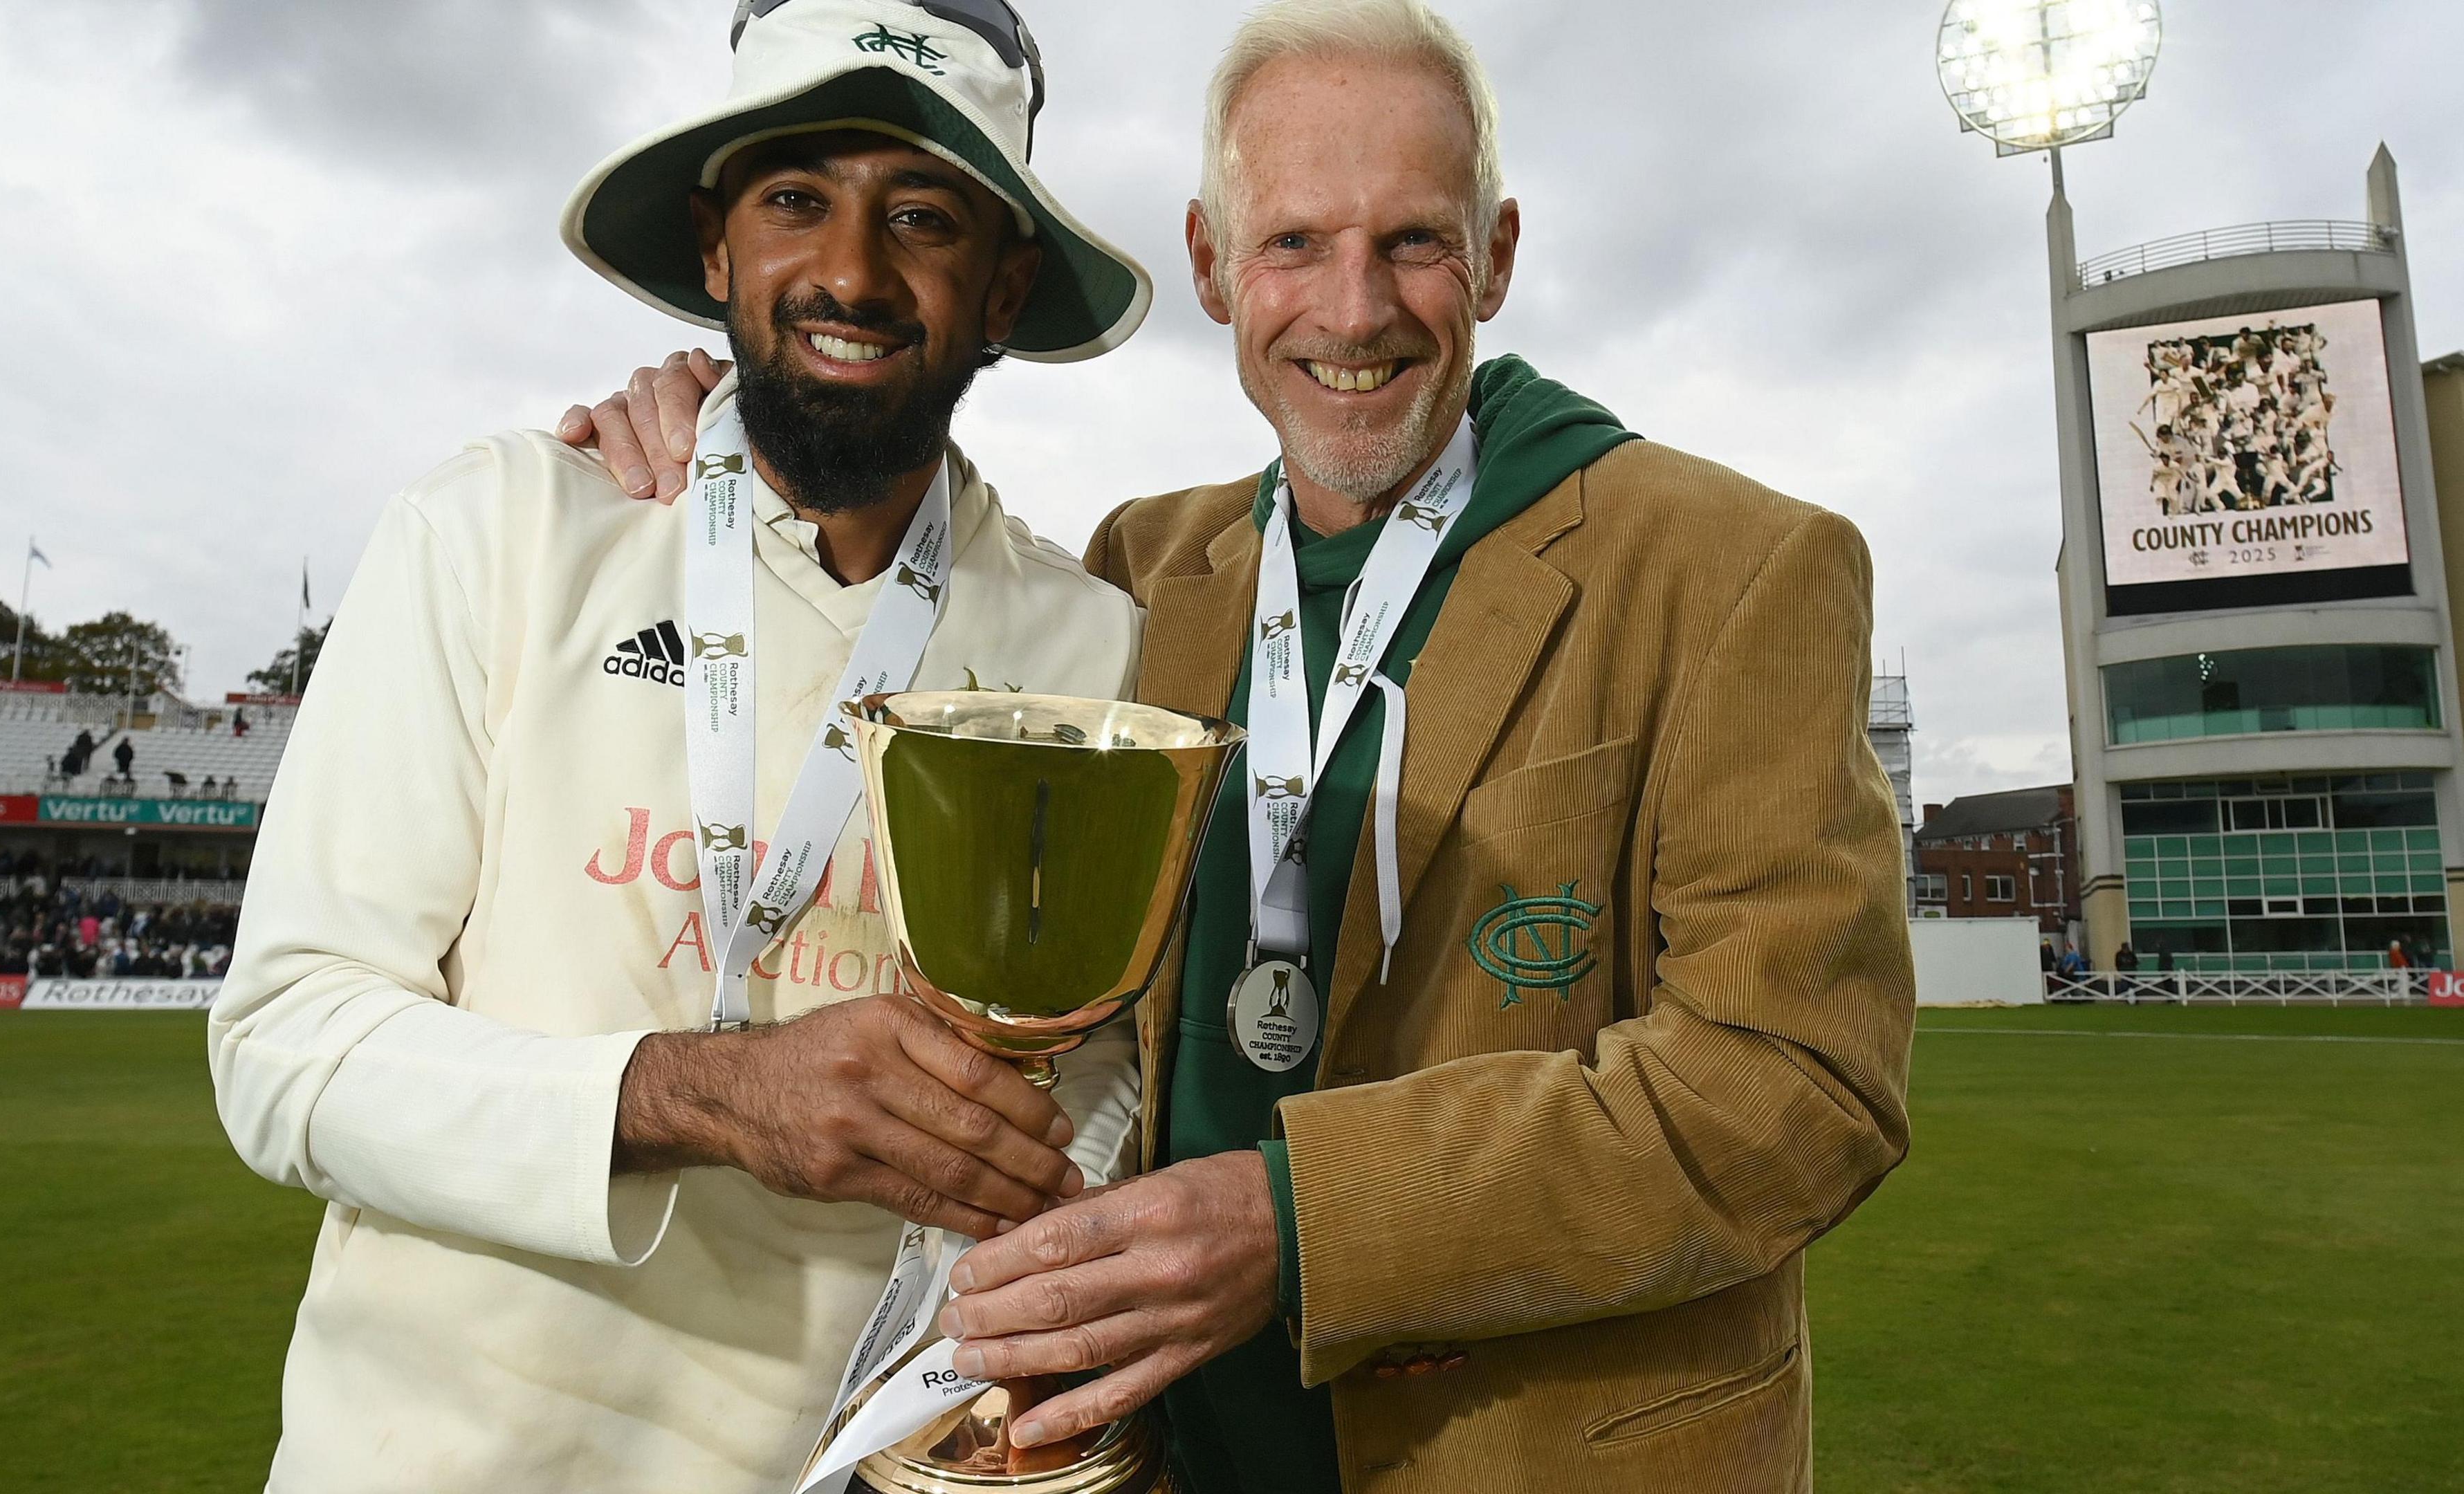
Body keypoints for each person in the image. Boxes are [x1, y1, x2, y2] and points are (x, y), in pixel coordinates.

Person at [567, 3, 1915, 1488]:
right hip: (1169, 1450)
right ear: (1212, 264)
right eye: (1293, 245)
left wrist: (1300, 1222)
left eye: (1414, 240)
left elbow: (1798, 1084)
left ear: (1501, 255)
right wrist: (713, 432)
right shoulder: (1141, 572)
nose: (1353, 312)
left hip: (1528, 1448)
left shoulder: (1735, 567)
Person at [210, 3, 1157, 1490]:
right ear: (717, 248)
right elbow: (283, 1051)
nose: (850, 271)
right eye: (797, 201)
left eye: (922, 216)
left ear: (1004, 288)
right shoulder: (504, 526)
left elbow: (1087, 1058)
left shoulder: (1084, 643)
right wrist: (706, 1095)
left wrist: (1047, 1238)